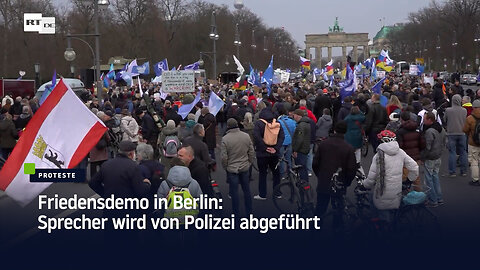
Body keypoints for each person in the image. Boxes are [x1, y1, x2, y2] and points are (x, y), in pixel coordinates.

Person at [362, 130, 419, 221]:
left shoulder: (378, 156)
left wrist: (364, 185)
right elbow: (414, 167)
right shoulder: (401, 152)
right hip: (397, 192)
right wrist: (409, 180)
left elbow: (371, 179)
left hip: (382, 194)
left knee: (372, 200)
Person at [313, 121, 356, 228]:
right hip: (339, 183)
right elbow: (351, 169)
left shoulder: (324, 144)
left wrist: (320, 175)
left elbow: (315, 163)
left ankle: (316, 230)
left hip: (324, 181)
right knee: (338, 210)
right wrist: (346, 182)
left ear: (334, 130)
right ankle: (337, 231)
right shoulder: (348, 148)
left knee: (320, 208)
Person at [221, 118, 255, 216]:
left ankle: (236, 212)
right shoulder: (246, 136)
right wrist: (249, 162)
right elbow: (251, 151)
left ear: (228, 126)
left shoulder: (225, 139)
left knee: (234, 192)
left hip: (232, 168)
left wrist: (226, 167)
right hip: (244, 166)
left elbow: (224, 157)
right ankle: (249, 211)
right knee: (246, 190)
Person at [253, 106, 284, 200]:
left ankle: (262, 194)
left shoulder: (259, 124)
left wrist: (265, 148)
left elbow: (256, 137)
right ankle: (277, 192)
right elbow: (281, 137)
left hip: (262, 153)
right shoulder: (277, 123)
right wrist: (276, 148)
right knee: (276, 174)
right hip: (274, 153)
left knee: (262, 174)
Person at [421, 112, 446, 206]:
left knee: (428, 180)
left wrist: (423, 157)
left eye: (424, 119)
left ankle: (433, 200)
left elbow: (428, 147)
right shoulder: (441, 129)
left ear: (429, 120)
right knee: (435, 177)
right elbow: (444, 142)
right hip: (438, 156)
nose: (423, 121)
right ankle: (439, 198)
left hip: (430, 157)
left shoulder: (429, 132)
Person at [396, 112, 425, 191]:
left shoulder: (400, 131)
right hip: (416, 157)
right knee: (416, 177)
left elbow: (399, 146)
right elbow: (422, 143)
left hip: (405, 157)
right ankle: (418, 195)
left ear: (401, 119)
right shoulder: (417, 129)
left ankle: (406, 195)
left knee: (404, 177)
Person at [444, 94, 467, 177]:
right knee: (463, 152)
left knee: (452, 152)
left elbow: (444, 119)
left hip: (451, 133)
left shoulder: (448, 110)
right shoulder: (464, 110)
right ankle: (463, 171)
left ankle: (452, 172)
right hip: (462, 133)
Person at [463, 99, 480, 186]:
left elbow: (465, 130)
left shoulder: (470, 118)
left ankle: (475, 179)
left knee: (474, 161)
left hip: (473, 142)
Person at [344, 106, 366, 173]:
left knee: (349, 150)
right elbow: (364, 117)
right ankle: (358, 163)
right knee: (358, 149)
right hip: (357, 134)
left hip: (348, 134)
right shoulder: (361, 118)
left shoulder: (348, 118)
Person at [277, 106, 296, 179]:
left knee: (281, 158)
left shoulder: (278, 122)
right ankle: (290, 173)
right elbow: (294, 131)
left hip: (281, 142)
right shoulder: (292, 121)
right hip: (290, 142)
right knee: (289, 158)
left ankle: (282, 175)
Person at [292, 109, 311, 182]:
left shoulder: (301, 126)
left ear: (297, 115)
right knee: (303, 168)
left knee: (301, 168)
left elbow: (300, 139)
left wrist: (295, 150)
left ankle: (303, 184)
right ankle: (305, 184)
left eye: (294, 115)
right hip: (305, 148)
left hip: (301, 150)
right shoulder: (306, 123)